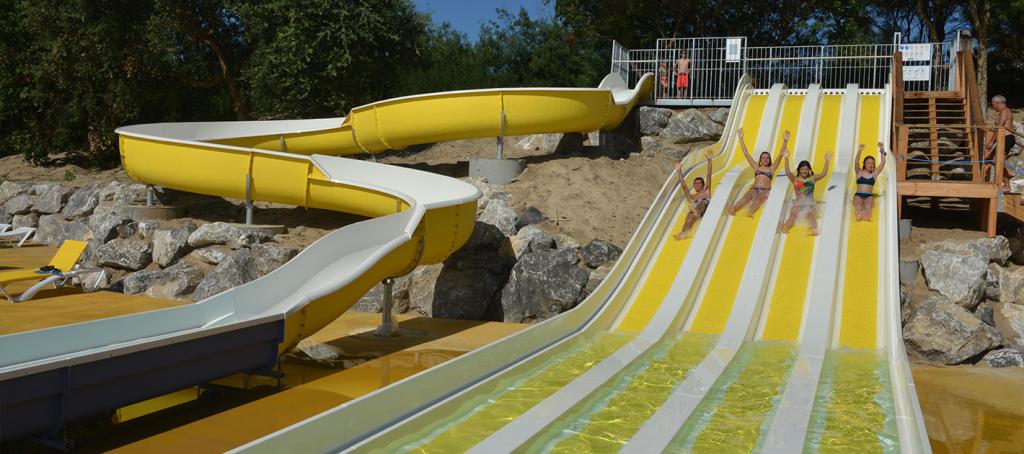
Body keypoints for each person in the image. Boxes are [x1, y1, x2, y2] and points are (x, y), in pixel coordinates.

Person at [731, 128, 787, 216]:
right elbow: (746, 153)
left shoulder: (771, 169)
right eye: (763, 158)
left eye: (767, 158)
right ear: (760, 160)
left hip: (765, 191)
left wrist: (785, 141)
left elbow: (780, 154)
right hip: (754, 189)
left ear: (770, 160)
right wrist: (741, 139)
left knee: (760, 199)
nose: (765, 159)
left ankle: (751, 211)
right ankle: (734, 208)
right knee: (746, 197)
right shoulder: (756, 167)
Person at [780, 149, 832, 235]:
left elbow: (823, 173)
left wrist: (827, 161)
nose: (804, 171)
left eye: (806, 169)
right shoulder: (795, 179)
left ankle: (813, 229)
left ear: (809, 170)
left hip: (810, 203)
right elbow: (787, 171)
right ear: (799, 170)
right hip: (798, 203)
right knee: (792, 216)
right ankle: (786, 226)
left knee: (810, 215)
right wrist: (786, 158)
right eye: (802, 169)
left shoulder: (812, 178)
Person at [673, 150, 713, 239]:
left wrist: (709, 161)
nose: (697, 185)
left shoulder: (706, 191)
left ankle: (696, 212)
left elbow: (709, 175)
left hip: (705, 207)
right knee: (689, 217)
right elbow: (684, 186)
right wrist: (679, 171)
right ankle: (683, 233)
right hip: (695, 209)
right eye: (695, 183)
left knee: (702, 202)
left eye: (699, 183)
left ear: (703, 185)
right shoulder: (692, 197)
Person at [985, 95, 1018, 191]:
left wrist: (991, 142)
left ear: (998, 103)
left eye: (993, 104)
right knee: (991, 158)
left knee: (997, 160)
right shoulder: (1004, 111)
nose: (993, 106)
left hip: (1006, 138)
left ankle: (1007, 181)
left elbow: (1000, 127)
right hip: (1004, 138)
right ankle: (1008, 176)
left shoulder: (1004, 111)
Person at [853, 143, 887, 222]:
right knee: (858, 206)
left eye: (872, 163)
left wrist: (882, 149)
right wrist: (859, 150)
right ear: (864, 164)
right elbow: (856, 162)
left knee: (868, 207)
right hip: (858, 195)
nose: (870, 165)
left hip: (869, 196)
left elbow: (883, 161)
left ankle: (867, 218)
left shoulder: (874, 174)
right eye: (868, 163)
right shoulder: (859, 172)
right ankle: (858, 218)